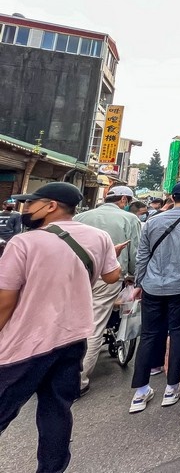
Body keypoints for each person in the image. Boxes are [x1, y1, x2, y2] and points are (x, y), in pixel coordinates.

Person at [0, 182, 121, 473]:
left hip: (24, 343)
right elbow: (112, 276)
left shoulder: (24, 242)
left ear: (51, 206)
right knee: (56, 410)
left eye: (31, 203)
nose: (26, 209)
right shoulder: (100, 237)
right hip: (72, 338)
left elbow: (5, 300)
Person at [129, 181, 180, 414]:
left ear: (172, 197)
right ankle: (172, 387)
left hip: (152, 285)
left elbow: (142, 257)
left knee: (149, 334)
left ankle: (140, 391)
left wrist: (139, 283)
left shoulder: (151, 222)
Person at [72, 184, 141, 395]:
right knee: (95, 325)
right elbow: (135, 251)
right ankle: (78, 380)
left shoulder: (80, 218)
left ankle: (58, 372)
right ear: (123, 201)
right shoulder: (130, 219)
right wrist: (133, 277)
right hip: (108, 277)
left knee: (72, 322)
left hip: (75, 276)